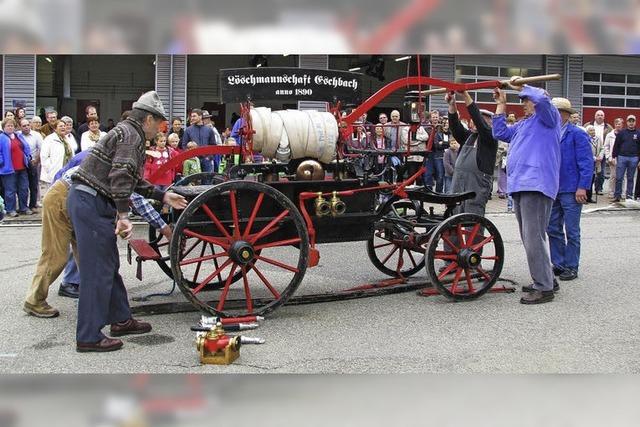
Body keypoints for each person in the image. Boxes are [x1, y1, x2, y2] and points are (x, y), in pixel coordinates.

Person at [67, 91, 187, 352]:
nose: (160, 129)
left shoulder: (126, 132)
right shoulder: (132, 136)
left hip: (88, 199)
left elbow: (131, 179)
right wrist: (123, 216)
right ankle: (88, 336)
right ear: (148, 119)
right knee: (96, 271)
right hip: (91, 201)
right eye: (160, 123)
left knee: (108, 264)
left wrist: (163, 195)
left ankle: (121, 319)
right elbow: (121, 176)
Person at [24, 149, 175, 317]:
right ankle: (34, 300)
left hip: (74, 197)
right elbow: (136, 199)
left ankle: (95, 298)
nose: (144, 163)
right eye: (144, 159)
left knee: (88, 254)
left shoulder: (116, 156)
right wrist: (166, 229)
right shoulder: (121, 164)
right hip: (63, 197)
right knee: (55, 255)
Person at [492, 78, 561, 305]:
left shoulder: (549, 118)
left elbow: (541, 98)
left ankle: (544, 287)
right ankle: (548, 278)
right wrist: (501, 104)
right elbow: (499, 132)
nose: (523, 104)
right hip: (521, 184)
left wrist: (521, 87)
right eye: (522, 100)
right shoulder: (524, 124)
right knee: (530, 237)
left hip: (536, 184)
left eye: (526, 100)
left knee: (533, 238)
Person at [547, 98, 593, 283]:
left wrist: (583, 187)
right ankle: (559, 264)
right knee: (552, 228)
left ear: (565, 114)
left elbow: (586, 162)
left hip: (572, 189)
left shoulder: (577, 134)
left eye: (556, 112)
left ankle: (572, 266)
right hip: (552, 188)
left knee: (572, 230)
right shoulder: (549, 134)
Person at [446, 90, 498, 216]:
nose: (475, 122)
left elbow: (479, 122)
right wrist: (452, 104)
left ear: (490, 124)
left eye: (482, 120)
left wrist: (465, 95)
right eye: (475, 120)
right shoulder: (468, 136)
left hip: (477, 184)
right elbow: (454, 126)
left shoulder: (490, 138)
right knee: (453, 216)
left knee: (473, 219)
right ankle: (454, 236)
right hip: (459, 182)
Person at [0, 117, 33, 217]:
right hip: (8, 169)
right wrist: (1, 161)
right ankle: (11, 209)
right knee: (10, 190)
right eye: (8, 126)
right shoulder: (1, 137)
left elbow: (26, 147)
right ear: (3, 127)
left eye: (12, 125)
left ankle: (24, 208)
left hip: (22, 167)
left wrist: (28, 157)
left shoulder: (18, 136)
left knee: (24, 188)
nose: (10, 127)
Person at [180, 109, 218, 182]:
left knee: (207, 183)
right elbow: (184, 145)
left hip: (206, 160)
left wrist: (210, 157)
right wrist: (190, 157)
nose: (192, 118)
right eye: (191, 116)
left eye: (194, 116)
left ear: (200, 117)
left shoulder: (209, 130)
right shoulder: (188, 130)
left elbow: (213, 146)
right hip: (193, 161)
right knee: (193, 183)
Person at [611, 114, 640, 202]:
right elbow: (616, 145)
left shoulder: (638, 133)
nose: (631, 123)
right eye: (629, 121)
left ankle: (629, 196)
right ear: (626, 122)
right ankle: (617, 196)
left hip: (634, 158)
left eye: (633, 121)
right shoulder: (621, 133)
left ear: (635, 122)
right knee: (619, 177)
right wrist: (614, 156)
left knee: (630, 178)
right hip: (622, 157)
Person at [18, 118, 44, 211]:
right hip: (21, 164)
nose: (26, 127)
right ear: (20, 127)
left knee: (34, 185)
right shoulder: (18, 135)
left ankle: (33, 204)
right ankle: (23, 206)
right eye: (24, 126)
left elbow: (41, 149)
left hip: (33, 162)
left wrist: (36, 160)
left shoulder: (36, 135)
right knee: (23, 186)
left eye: (28, 125)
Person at [40, 120, 73, 192]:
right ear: (55, 128)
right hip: (53, 173)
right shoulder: (49, 139)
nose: (63, 127)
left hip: (65, 172)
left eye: (64, 126)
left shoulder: (67, 140)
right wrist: (50, 168)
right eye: (60, 126)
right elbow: (44, 157)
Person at [604, 118, 624, 198]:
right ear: (614, 125)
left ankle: (622, 193)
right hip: (613, 158)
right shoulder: (610, 135)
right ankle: (611, 192)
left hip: (623, 158)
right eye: (617, 124)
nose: (618, 125)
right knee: (613, 176)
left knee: (623, 177)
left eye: (620, 124)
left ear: (622, 125)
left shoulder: (624, 134)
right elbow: (606, 147)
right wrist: (608, 157)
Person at [585, 124, 604, 202]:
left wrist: (600, 156)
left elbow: (602, 148)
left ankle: (589, 197)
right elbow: (586, 150)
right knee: (588, 179)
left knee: (593, 178)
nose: (593, 132)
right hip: (589, 161)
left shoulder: (598, 139)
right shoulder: (585, 139)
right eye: (591, 130)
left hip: (596, 162)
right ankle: (586, 197)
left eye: (593, 130)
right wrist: (594, 158)